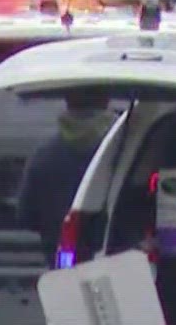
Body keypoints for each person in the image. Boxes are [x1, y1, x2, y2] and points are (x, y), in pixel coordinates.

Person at [17, 96, 117, 261]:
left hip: (60, 263)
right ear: (106, 100)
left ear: (67, 101)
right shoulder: (125, 148)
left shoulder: (44, 156)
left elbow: (26, 217)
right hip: (116, 263)